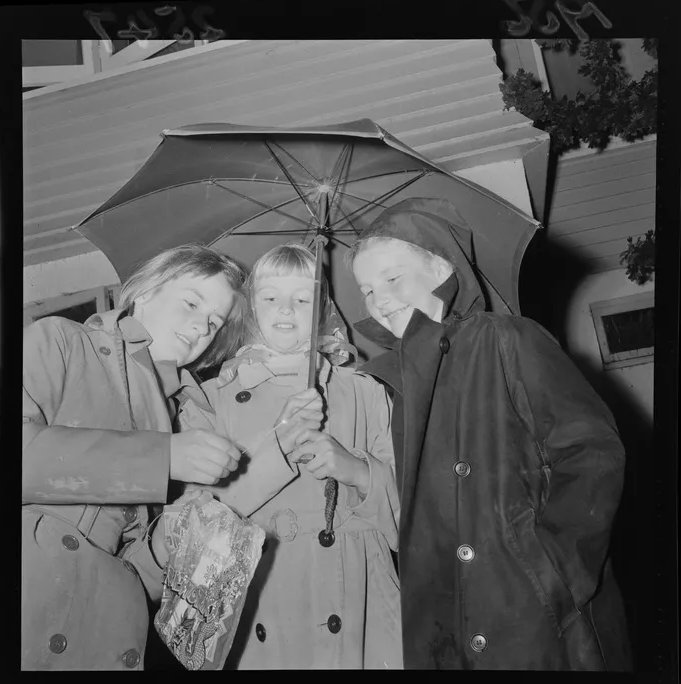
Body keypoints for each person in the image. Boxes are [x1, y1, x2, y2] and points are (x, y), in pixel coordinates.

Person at [347, 197, 632, 671]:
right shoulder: (396, 386)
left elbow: (591, 451)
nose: (379, 299)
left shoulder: (506, 337)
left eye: (392, 278)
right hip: (450, 626)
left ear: (441, 268)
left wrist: (553, 573)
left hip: (536, 615)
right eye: (367, 290)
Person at [22, 244, 248, 670]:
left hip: (105, 635)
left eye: (214, 321)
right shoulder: (61, 341)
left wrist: (167, 547)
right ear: (144, 291)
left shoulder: (182, 414)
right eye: (191, 302)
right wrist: (161, 458)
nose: (201, 325)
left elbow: (131, 572)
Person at [178, 243, 402, 669]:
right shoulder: (210, 399)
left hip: (361, 597)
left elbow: (413, 519)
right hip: (265, 598)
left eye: (302, 298)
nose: (286, 309)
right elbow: (194, 529)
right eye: (270, 297)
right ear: (250, 308)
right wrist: (279, 441)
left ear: (322, 309)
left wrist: (356, 470)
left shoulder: (365, 390)